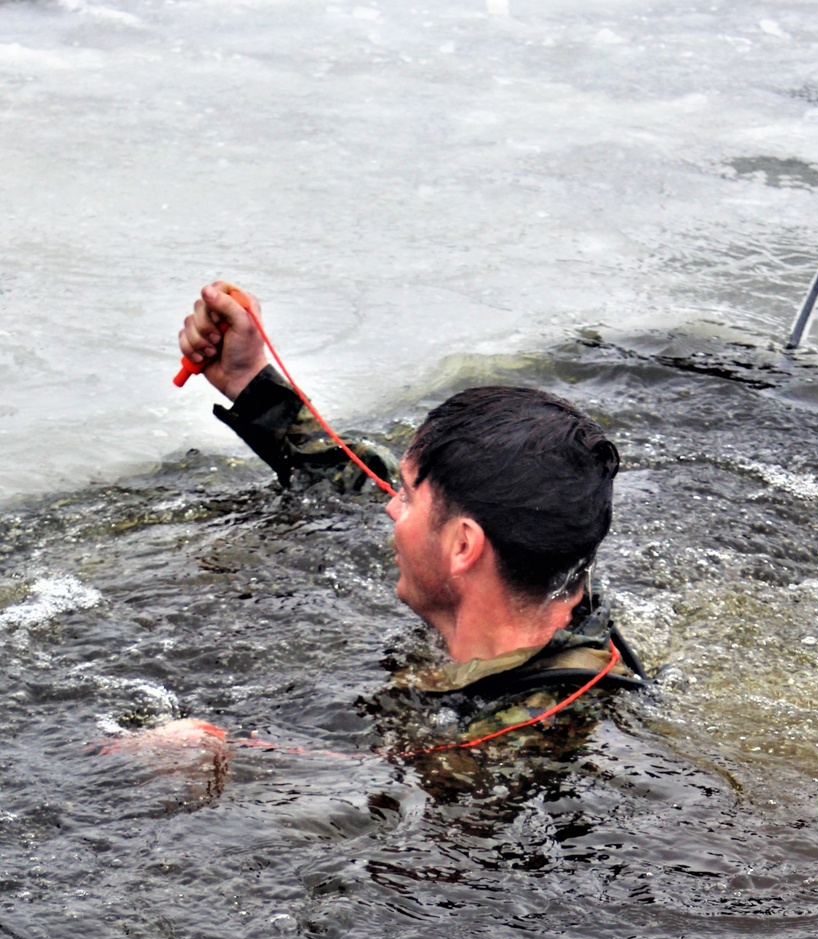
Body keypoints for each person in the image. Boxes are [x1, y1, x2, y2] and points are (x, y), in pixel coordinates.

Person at [178, 281, 644, 713]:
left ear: (463, 546)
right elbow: (369, 487)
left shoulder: (495, 755)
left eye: (406, 497)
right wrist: (250, 383)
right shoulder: (556, 589)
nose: (388, 506)